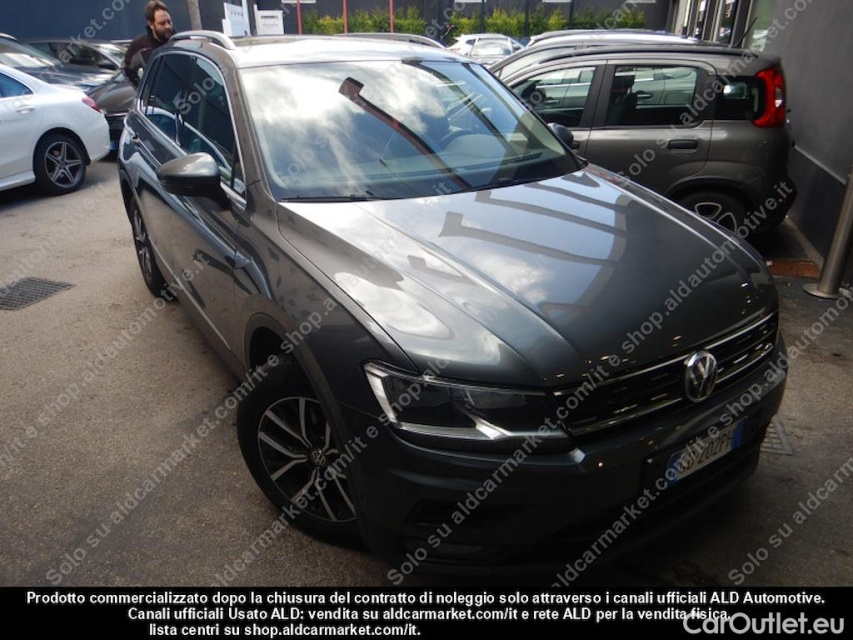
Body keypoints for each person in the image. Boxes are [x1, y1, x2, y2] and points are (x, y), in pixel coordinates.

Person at [123, 0, 175, 88]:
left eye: (169, 22)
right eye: (162, 23)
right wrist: (141, 89)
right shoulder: (138, 46)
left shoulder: (180, 42)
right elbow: (127, 71)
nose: (168, 26)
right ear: (151, 24)